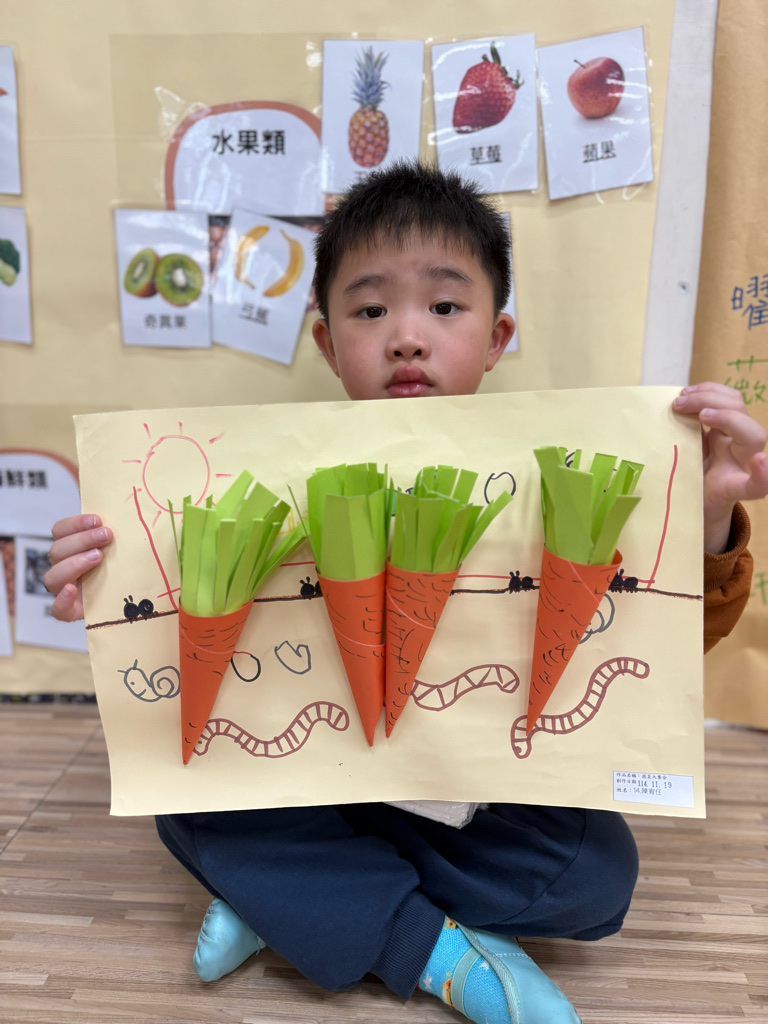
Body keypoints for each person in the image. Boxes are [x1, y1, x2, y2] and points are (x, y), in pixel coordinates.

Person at [45, 162, 765, 1024]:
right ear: (326, 343)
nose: (408, 337)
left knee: (596, 875)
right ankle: (431, 952)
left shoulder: (556, 478)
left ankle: (300, 899)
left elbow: (660, 642)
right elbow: (196, 677)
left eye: (446, 306)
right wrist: (105, 593)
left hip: (473, 790)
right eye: (371, 310)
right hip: (307, 777)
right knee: (182, 801)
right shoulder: (256, 479)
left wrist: (709, 516)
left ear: (497, 337)